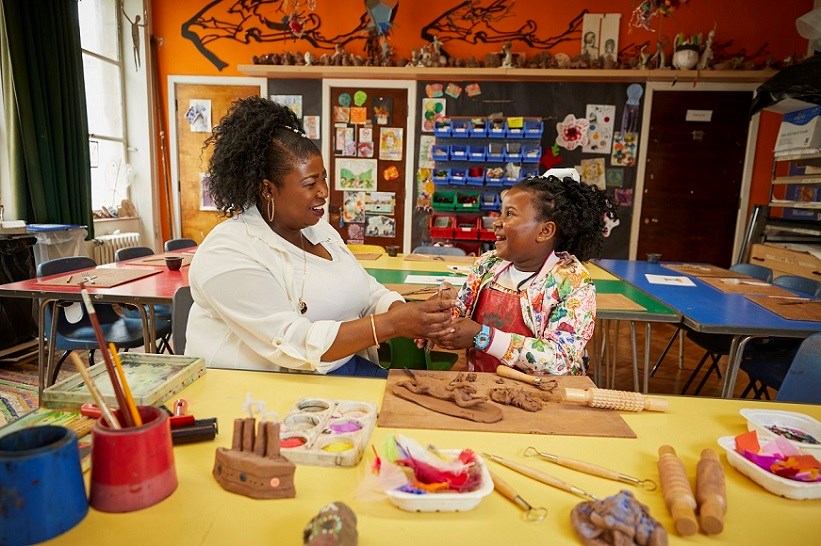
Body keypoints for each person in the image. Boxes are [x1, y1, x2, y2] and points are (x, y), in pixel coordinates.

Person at [186, 96, 455, 376]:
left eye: (323, 178)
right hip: (263, 392)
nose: (324, 191)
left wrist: (406, 313)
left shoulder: (318, 230)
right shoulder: (227, 254)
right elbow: (293, 343)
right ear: (268, 189)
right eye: (310, 183)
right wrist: (393, 324)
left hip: (339, 368)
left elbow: (366, 290)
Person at [433, 174, 617, 376]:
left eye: (509, 214)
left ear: (544, 231)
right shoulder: (488, 264)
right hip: (481, 383)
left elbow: (559, 358)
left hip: (542, 394)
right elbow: (461, 307)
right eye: (500, 213)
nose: (497, 223)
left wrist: (483, 337)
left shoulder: (571, 282)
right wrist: (437, 323)